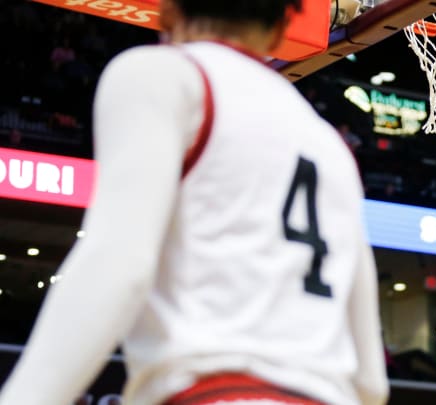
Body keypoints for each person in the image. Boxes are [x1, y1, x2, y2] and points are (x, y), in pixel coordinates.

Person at [0, 1, 389, 405]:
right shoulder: (330, 145)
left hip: (213, 392)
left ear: (165, 9)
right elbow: (371, 381)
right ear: (283, 27)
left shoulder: (162, 75)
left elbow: (118, 264)